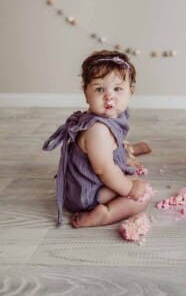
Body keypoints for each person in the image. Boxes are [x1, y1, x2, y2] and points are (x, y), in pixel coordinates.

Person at [43, 50, 152, 228]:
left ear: (130, 92)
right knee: (143, 194)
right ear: (86, 93)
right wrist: (130, 188)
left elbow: (113, 143)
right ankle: (105, 215)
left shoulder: (115, 115)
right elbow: (104, 170)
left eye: (117, 89)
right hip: (87, 193)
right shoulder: (98, 130)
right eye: (99, 89)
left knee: (125, 172)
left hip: (91, 182)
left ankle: (127, 151)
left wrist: (124, 158)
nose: (109, 96)